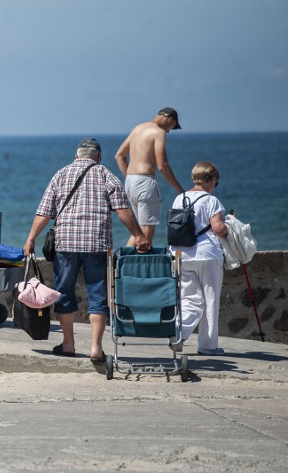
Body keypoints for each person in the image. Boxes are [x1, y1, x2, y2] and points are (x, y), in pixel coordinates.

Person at [23, 138, 151, 362]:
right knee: (98, 295)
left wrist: (31, 238)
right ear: (98, 157)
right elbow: (123, 211)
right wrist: (139, 235)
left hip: (66, 244)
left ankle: (69, 344)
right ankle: (96, 348)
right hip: (97, 244)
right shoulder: (107, 176)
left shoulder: (60, 175)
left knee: (64, 293)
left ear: (76, 156)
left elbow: (44, 212)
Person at [169, 162, 228, 356]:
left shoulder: (179, 198)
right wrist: (229, 226)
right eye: (215, 182)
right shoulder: (211, 200)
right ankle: (208, 346)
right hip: (207, 255)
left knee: (189, 298)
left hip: (180, 254)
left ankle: (179, 332)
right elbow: (218, 228)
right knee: (210, 300)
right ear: (211, 180)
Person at [114, 107, 185, 245]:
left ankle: (123, 263)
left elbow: (119, 156)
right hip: (145, 182)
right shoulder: (158, 132)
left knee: (139, 232)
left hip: (130, 182)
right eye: (171, 128)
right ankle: (138, 266)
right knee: (146, 233)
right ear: (170, 119)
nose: (168, 131)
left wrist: (129, 177)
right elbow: (162, 165)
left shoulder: (137, 129)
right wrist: (179, 189)